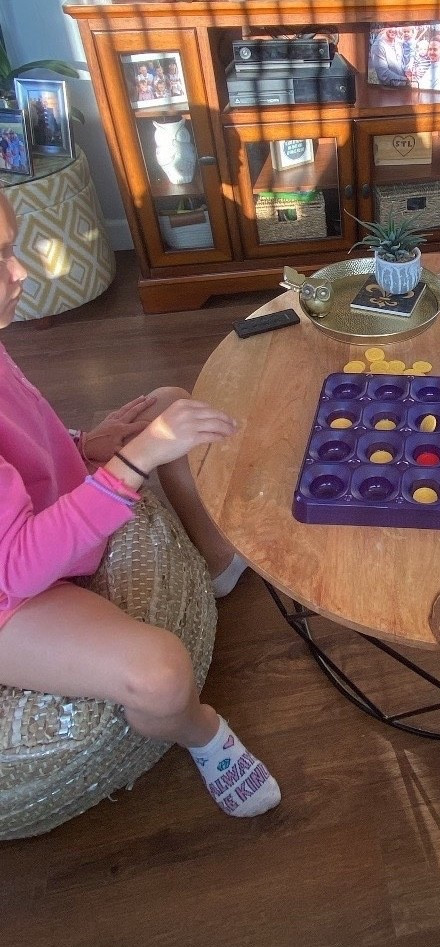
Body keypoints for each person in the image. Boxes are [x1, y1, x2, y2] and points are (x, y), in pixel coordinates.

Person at [0, 191, 281, 818]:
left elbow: (24, 433)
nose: (20, 273)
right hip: (12, 587)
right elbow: (17, 568)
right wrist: (134, 461)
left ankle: (218, 566)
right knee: (160, 674)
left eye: (12, 249)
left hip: (30, 520)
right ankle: (204, 734)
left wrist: (83, 444)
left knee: (169, 401)